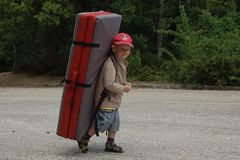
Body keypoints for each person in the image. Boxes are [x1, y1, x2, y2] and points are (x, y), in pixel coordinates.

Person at [77, 32, 134, 153]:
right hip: (106, 101)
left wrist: (124, 83)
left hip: (113, 101)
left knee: (114, 123)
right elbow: (109, 84)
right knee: (103, 123)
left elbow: (117, 79)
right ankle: (84, 138)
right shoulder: (110, 64)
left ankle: (110, 143)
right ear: (114, 48)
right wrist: (123, 89)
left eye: (127, 49)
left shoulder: (119, 61)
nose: (125, 52)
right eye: (122, 49)